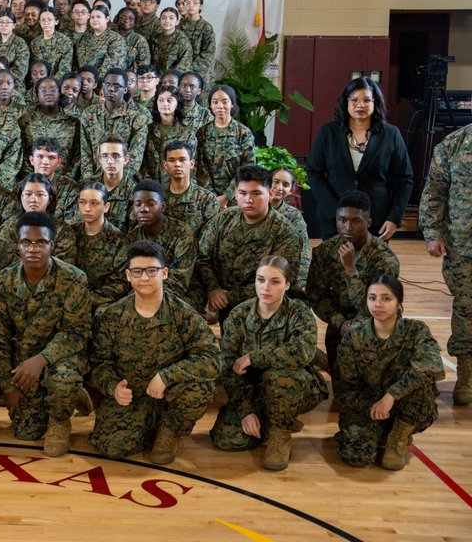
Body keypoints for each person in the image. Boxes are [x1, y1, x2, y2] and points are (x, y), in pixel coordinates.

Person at [89, 241, 220, 464]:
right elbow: (98, 363)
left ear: (164, 273)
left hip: (170, 393)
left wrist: (166, 376)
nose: (145, 278)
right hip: (132, 396)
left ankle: (170, 429)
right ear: (128, 275)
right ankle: (147, 425)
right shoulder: (112, 316)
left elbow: (212, 358)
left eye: (152, 271)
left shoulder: (182, 313)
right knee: (112, 447)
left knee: (200, 389)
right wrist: (113, 387)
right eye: (138, 272)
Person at [0, 212, 93, 458]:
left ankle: (60, 419)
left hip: (62, 356)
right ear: (17, 246)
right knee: (25, 432)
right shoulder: (3, 282)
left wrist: (42, 359)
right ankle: (67, 396)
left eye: (41, 242)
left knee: (61, 380)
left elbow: (76, 333)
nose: (33, 248)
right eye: (26, 242)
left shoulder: (74, 279)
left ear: (52, 245)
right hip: (22, 363)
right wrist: (7, 387)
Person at [210, 256, 327, 470]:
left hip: (295, 386)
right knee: (226, 438)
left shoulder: (299, 313)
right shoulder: (239, 314)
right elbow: (228, 368)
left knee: (278, 376)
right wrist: (246, 410)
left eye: (275, 281)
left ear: (287, 285)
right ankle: (274, 416)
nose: (266, 287)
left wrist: (255, 357)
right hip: (253, 389)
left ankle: (279, 434)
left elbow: (302, 352)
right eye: (260, 279)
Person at [336, 274, 443, 470]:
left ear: (399, 304)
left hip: (405, 404)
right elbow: (346, 388)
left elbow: (432, 365)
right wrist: (371, 407)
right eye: (372, 298)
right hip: (370, 406)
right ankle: (381, 431)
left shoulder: (415, 331)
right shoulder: (355, 337)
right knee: (356, 457)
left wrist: (391, 396)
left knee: (422, 383)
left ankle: (399, 435)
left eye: (386, 298)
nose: (378, 304)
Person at [306, 77, 413, 240]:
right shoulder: (328, 132)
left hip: (376, 219)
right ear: (346, 102)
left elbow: (405, 179)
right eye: (354, 100)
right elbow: (314, 173)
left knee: (372, 265)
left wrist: (394, 217)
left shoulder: (391, 134)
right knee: (335, 264)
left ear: (375, 102)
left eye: (366, 100)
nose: (360, 105)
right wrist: (334, 210)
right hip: (334, 219)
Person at [196, 165, 307, 320]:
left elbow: (280, 278)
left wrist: (229, 296)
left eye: (256, 193)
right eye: (242, 193)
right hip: (222, 302)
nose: (248, 199)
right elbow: (202, 257)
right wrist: (213, 289)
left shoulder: (285, 232)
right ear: (235, 193)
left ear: (270, 193)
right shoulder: (223, 219)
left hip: (263, 308)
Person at [307, 190, 400, 371]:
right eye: (342, 220)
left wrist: (350, 269)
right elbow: (316, 295)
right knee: (342, 385)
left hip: (376, 325)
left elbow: (376, 307)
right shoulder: (326, 251)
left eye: (355, 221)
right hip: (339, 324)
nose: (348, 227)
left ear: (368, 223)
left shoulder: (384, 259)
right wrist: (339, 322)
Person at [419, 121, 472, 404]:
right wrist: (432, 234)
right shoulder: (453, 145)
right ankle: (467, 377)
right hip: (463, 248)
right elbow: (434, 193)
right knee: (466, 309)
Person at [57, 182, 126, 307]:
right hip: (66, 300)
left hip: (101, 305)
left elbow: (120, 283)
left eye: (94, 203)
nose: (87, 208)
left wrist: (85, 299)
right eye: (82, 202)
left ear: (106, 206)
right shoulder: (69, 233)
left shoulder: (118, 240)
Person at [123, 180, 196, 297]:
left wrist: (143, 294)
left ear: (162, 207)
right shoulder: (132, 237)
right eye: (138, 204)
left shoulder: (182, 233)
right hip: (138, 292)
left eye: (150, 204)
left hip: (178, 295)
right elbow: (126, 276)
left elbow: (179, 281)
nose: (143, 209)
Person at [79, 69, 148, 182]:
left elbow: (135, 157)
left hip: (123, 181)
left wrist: (117, 180)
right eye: (108, 85)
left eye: (117, 86)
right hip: (94, 179)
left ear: (125, 89)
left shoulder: (137, 118)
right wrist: (89, 180)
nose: (111, 89)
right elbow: (85, 151)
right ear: (102, 86)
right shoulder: (89, 114)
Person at [197, 85, 256, 205]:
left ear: (232, 104)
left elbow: (248, 166)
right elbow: (199, 166)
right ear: (210, 105)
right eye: (215, 102)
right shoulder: (202, 133)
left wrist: (227, 196)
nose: (220, 106)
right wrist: (212, 198)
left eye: (225, 102)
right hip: (208, 199)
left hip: (237, 198)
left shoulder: (243, 133)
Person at [162, 139, 220, 236]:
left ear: (191, 164)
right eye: (172, 160)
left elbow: (212, 237)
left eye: (182, 160)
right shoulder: (158, 197)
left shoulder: (206, 199)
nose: (177, 164)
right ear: (165, 165)